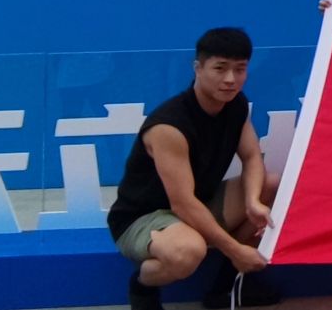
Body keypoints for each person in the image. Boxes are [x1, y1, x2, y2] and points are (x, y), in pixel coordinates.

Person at [109, 27, 281, 310]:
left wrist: (252, 202)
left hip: (198, 202)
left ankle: (225, 289)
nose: (230, 79)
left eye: (240, 69)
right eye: (220, 68)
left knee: (270, 185)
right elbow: (182, 203)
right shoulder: (169, 126)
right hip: (143, 216)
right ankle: (142, 287)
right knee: (188, 252)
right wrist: (236, 250)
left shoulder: (234, 104)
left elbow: (252, 157)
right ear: (198, 68)